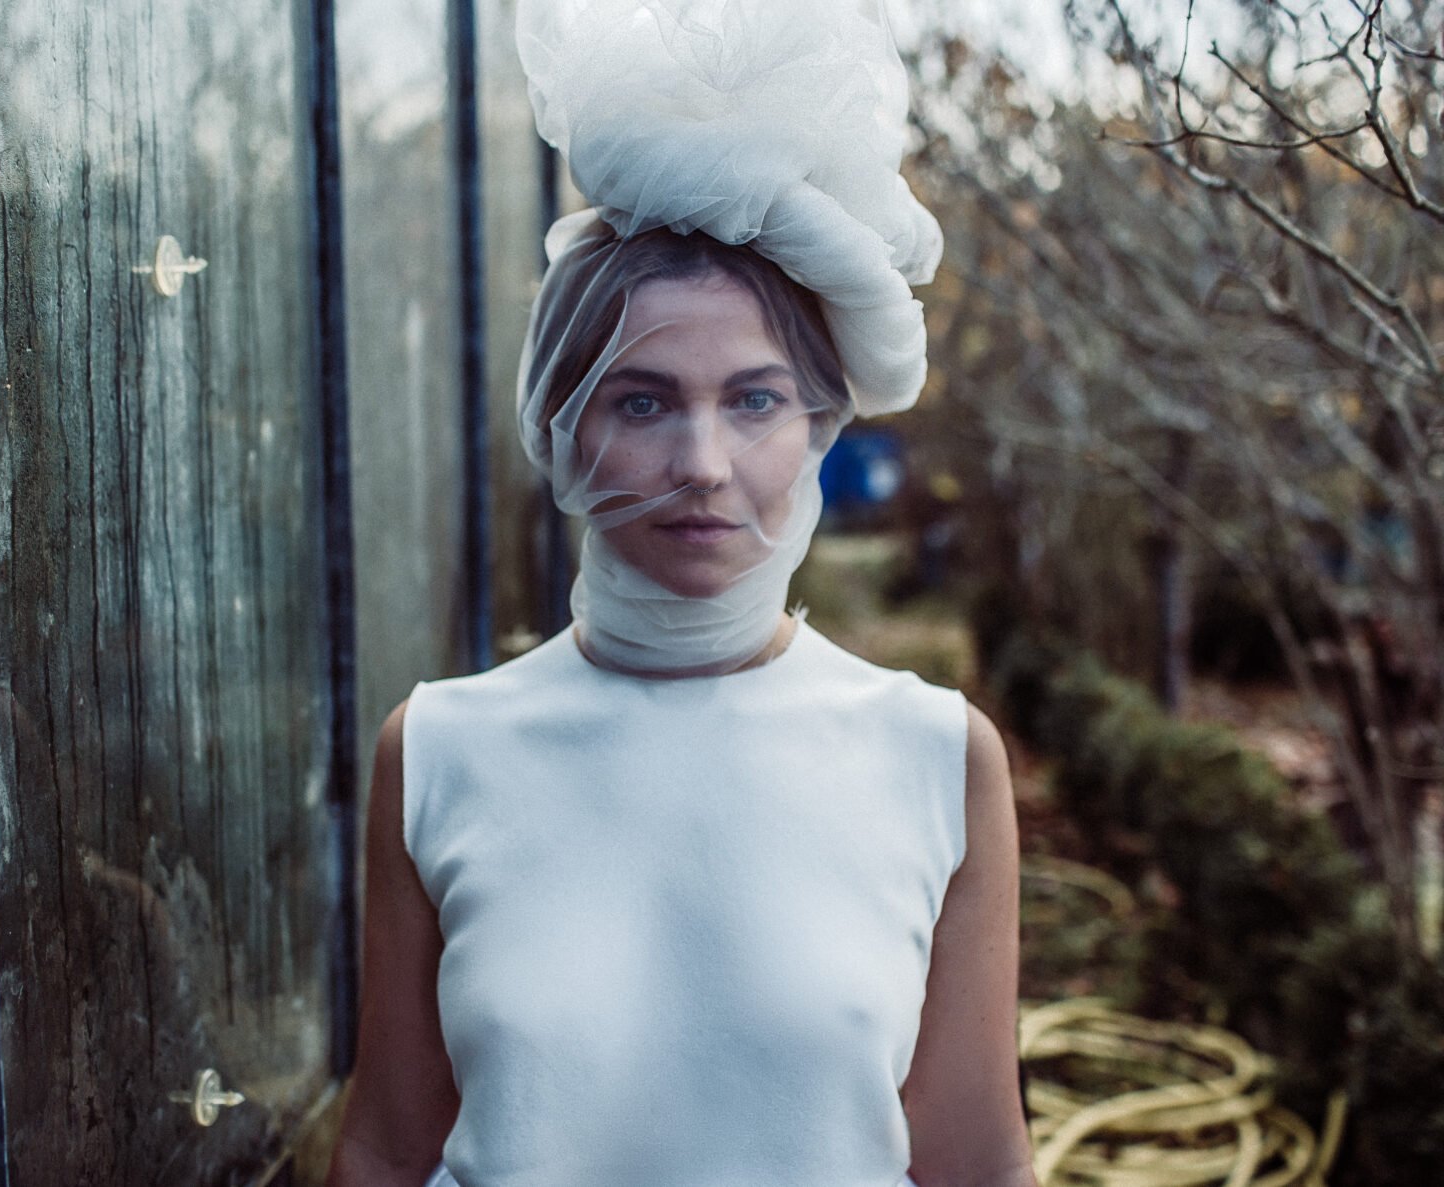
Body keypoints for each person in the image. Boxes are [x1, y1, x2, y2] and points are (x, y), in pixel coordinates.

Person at [329, 2, 1037, 1184]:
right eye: (644, 399)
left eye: (754, 398)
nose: (702, 463)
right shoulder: (439, 750)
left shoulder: (937, 757)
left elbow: (977, 1160)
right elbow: (384, 1150)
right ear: (562, 422)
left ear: (820, 423)